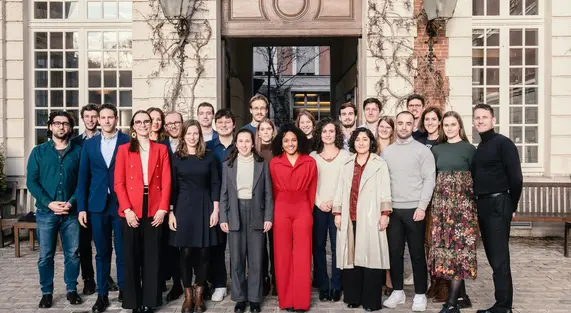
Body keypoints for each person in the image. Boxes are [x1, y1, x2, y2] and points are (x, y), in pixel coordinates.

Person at [114, 110, 172, 313]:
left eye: (146, 121)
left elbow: (167, 180)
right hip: (131, 207)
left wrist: (163, 208)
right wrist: (127, 210)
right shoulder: (123, 150)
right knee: (131, 257)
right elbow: (119, 183)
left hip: (154, 205)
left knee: (152, 256)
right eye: (138, 122)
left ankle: (150, 300)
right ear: (133, 126)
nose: (143, 125)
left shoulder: (161, 149)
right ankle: (133, 302)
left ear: (151, 124)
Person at [76, 104, 130, 313]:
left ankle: (125, 289)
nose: (106, 121)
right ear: (98, 120)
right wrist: (82, 208)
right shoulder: (90, 145)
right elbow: (83, 178)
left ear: (116, 119)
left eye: (110, 117)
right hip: (97, 205)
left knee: (123, 250)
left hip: (121, 205)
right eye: (103, 118)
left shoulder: (127, 141)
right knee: (102, 252)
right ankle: (102, 294)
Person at [27, 111, 83, 309]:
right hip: (46, 212)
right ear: (50, 126)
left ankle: (71, 290)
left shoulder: (78, 152)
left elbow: (83, 181)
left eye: (65, 124)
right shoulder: (38, 152)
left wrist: (71, 202)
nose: (61, 127)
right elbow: (32, 182)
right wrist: (49, 203)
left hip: (71, 213)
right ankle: (47, 292)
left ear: (70, 128)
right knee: (45, 255)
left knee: (72, 254)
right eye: (57, 123)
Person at [333, 127, 392, 311]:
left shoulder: (379, 163)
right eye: (357, 139)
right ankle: (353, 297)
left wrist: (384, 214)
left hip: (371, 215)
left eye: (365, 139)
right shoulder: (347, 163)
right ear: (353, 142)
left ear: (370, 142)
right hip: (350, 216)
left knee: (370, 257)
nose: (361, 143)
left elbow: (385, 190)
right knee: (351, 257)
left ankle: (371, 301)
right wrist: (338, 213)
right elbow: (339, 190)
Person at [381, 111, 436, 312]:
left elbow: (429, 179)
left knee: (417, 254)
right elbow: (383, 181)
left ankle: (420, 294)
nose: (404, 126)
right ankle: (398, 291)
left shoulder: (423, 151)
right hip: (394, 210)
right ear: (396, 125)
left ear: (414, 125)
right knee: (394, 253)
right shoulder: (387, 152)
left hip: (415, 210)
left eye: (408, 123)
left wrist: (422, 206)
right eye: (400, 123)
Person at [472, 104, 522, 313]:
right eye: (477, 117)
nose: (481, 121)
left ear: (493, 120)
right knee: (492, 254)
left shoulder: (504, 143)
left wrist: (511, 205)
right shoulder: (480, 146)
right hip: (483, 204)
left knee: (499, 255)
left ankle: (504, 305)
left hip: (498, 203)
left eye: (485, 117)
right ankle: (501, 301)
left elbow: (516, 178)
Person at [169, 120, 222, 313]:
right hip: (183, 206)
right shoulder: (176, 157)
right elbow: (171, 187)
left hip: (205, 205)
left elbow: (216, 183)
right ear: (183, 136)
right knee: (185, 253)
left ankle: (199, 295)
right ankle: (188, 296)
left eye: (195, 134)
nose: (192, 137)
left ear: (200, 136)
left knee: (203, 252)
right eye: (189, 133)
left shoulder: (209, 156)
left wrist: (215, 210)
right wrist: (171, 212)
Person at [220, 129, 274, 313]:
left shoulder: (262, 164)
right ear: (236, 144)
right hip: (235, 212)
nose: (244, 145)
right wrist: (223, 217)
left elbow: (268, 193)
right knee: (236, 259)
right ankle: (240, 298)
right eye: (240, 141)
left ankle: (255, 298)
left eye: (247, 141)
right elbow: (224, 194)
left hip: (256, 213)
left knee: (256, 259)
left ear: (253, 143)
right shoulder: (227, 165)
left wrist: (268, 217)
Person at [428, 111, 478, 313]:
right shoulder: (437, 150)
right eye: (446, 124)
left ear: (460, 126)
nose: (449, 128)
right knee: (448, 253)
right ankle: (463, 297)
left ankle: (451, 304)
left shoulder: (469, 149)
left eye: (453, 124)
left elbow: (478, 178)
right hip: (441, 209)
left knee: (460, 253)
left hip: (463, 210)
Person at [270, 124, 318, 312]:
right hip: (281, 208)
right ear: (281, 144)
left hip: (302, 209)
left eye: (293, 140)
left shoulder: (309, 162)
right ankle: (286, 300)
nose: (290, 143)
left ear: (299, 141)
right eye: (286, 140)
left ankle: (301, 301)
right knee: (282, 255)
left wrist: (308, 211)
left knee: (303, 255)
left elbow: (312, 190)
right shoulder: (274, 163)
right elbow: (273, 191)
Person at [309, 118, 350, 302]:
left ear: (337, 133)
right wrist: (319, 202)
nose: (328, 134)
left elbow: (346, 184)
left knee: (337, 247)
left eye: (331, 131)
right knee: (317, 247)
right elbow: (310, 184)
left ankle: (336, 285)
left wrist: (336, 203)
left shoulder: (346, 156)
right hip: (318, 207)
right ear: (319, 134)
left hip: (338, 208)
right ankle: (323, 285)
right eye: (324, 131)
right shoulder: (312, 156)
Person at [206, 108, 236, 302]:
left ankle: (239, 282)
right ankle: (219, 283)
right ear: (215, 125)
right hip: (214, 203)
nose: (224, 124)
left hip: (238, 203)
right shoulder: (207, 146)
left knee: (238, 247)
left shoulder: (242, 144)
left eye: (228, 121)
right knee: (216, 247)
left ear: (234, 124)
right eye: (220, 121)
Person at [70, 104, 100, 295]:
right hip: (82, 200)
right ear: (82, 119)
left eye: (94, 116)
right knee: (84, 243)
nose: (90, 120)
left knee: (103, 242)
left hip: (100, 199)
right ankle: (88, 279)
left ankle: (106, 276)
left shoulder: (107, 139)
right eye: (87, 116)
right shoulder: (75, 143)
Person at [159, 111, 184, 302]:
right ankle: (177, 284)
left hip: (188, 200)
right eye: (170, 123)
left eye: (177, 122)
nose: (174, 126)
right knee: (172, 246)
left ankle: (196, 283)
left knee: (192, 246)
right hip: (167, 201)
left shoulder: (192, 142)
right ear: (165, 127)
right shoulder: (160, 147)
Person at [254, 117, 278, 295]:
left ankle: (277, 277)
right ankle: (263, 278)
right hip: (257, 203)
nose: (265, 132)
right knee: (259, 244)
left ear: (273, 131)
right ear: (258, 132)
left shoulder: (279, 150)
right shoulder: (253, 151)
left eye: (268, 129)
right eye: (262, 129)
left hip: (277, 201)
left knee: (276, 243)